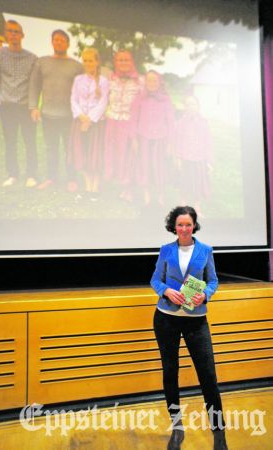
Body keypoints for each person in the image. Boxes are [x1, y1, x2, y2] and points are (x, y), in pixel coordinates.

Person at [151, 206, 228, 450]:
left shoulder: (205, 250)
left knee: (208, 377)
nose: (184, 228)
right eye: (180, 224)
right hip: (166, 319)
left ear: (194, 225)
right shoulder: (166, 250)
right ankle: (177, 429)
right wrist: (166, 291)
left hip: (196, 320)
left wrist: (205, 295)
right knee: (170, 374)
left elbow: (213, 280)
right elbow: (155, 280)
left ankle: (219, 433)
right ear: (174, 226)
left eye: (188, 224)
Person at [29, 30, 82, 190]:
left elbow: (83, 89)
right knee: (51, 147)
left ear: (67, 43)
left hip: (69, 116)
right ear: (52, 42)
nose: (58, 43)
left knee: (69, 148)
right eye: (55, 40)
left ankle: (72, 179)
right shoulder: (42, 62)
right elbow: (34, 85)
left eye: (62, 40)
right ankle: (51, 178)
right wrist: (33, 107)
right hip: (48, 115)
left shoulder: (76, 66)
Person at [0, 20, 37, 187]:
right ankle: (13, 174)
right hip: (7, 106)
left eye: (17, 32)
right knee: (10, 141)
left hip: (25, 106)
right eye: (10, 31)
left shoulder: (32, 58)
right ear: (5, 34)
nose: (14, 35)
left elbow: (34, 84)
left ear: (22, 35)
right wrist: (6, 94)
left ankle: (31, 174)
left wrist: (32, 106)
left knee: (30, 141)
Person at [68, 47, 109, 199]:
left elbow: (103, 102)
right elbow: (73, 98)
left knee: (94, 154)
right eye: (85, 60)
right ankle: (87, 185)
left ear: (97, 62)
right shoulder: (78, 79)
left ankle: (95, 187)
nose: (87, 63)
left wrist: (90, 119)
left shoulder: (104, 81)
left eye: (90, 60)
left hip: (95, 123)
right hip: (80, 121)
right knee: (82, 152)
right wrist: (81, 116)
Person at [130, 70, 175, 206]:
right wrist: (134, 139)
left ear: (159, 82)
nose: (151, 83)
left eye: (154, 80)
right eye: (148, 80)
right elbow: (133, 120)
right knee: (146, 167)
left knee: (159, 167)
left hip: (160, 139)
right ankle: (147, 196)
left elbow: (171, 122)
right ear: (145, 82)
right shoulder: (139, 98)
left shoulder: (166, 99)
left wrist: (170, 143)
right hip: (143, 138)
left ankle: (160, 196)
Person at [104, 50, 144, 201]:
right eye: (120, 60)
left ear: (132, 61)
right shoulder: (110, 80)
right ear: (116, 62)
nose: (123, 63)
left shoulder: (140, 81)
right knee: (115, 155)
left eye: (126, 60)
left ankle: (129, 188)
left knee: (129, 156)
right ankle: (120, 184)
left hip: (130, 123)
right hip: (112, 121)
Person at [175, 96, 213, 216]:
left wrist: (209, 161)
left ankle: (197, 206)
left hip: (199, 157)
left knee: (198, 182)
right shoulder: (181, 122)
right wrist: (178, 158)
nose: (191, 107)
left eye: (194, 104)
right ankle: (183, 204)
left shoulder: (203, 122)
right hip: (186, 157)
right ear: (185, 107)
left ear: (198, 106)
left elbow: (207, 141)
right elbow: (178, 141)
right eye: (188, 104)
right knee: (184, 181)